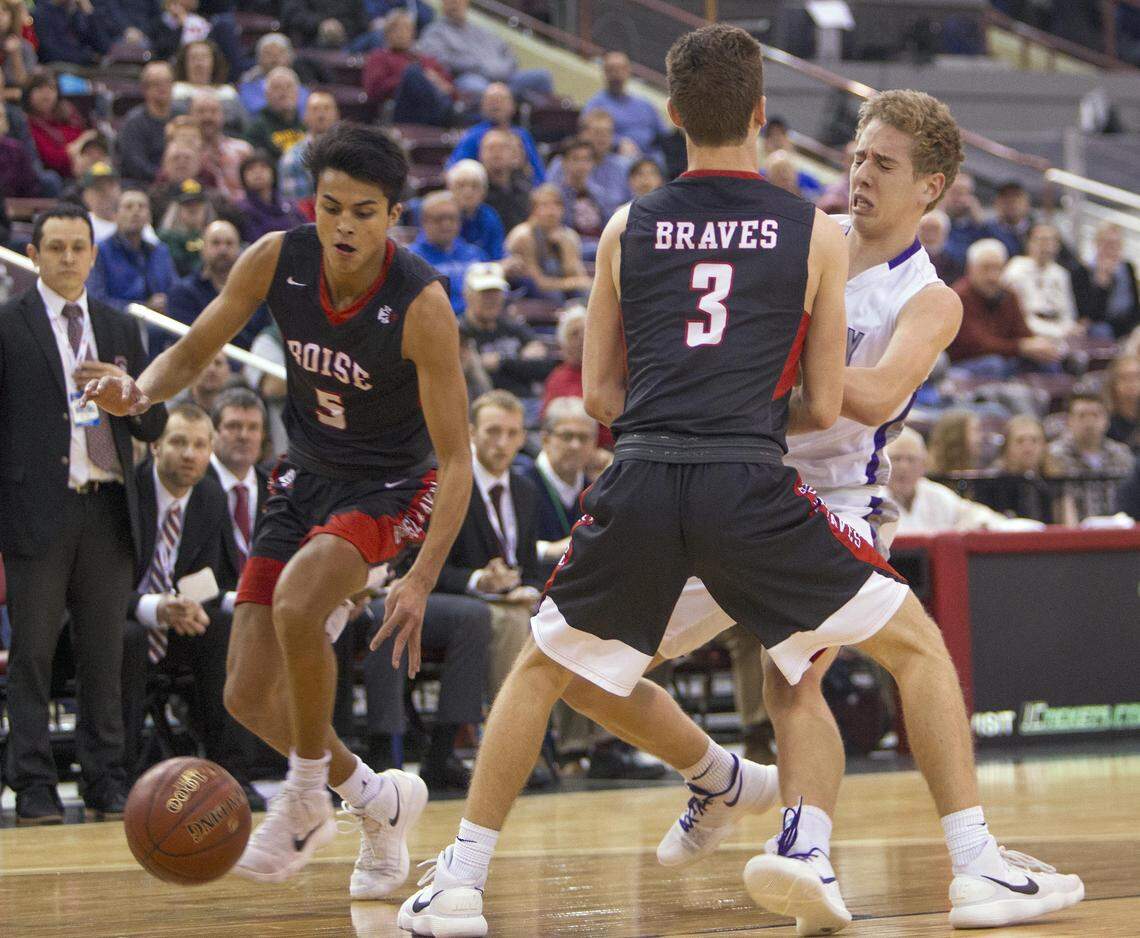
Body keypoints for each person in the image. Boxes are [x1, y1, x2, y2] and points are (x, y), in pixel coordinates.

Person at [401, 45, 1084, 932]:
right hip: (739, 476)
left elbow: (862, 400)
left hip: (825, 495)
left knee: (792, 677)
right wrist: (732, 391)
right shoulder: (802, 231)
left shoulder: (931, 297)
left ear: (934, 187)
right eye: (856, 157)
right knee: (581, 678)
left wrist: (725, 387)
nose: (861, 175)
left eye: (884, 164)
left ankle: (813, 850)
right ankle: (718, 779)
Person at [84, 123, 473, 895]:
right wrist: (142, 391)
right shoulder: (278, 258)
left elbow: (457, 460)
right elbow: (194, 352)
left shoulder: (422, 304)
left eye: (364, 211)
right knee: (245, 695)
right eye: (331, 207)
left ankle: (301, 797)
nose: (343, 226)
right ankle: (374, 799)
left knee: (299, 606)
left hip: (394, 486)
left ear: (392, 215)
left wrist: (422, 576)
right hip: (306, 474)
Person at [0, 205, 168, 824]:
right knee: (34, 658)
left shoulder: (121, 327)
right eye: (57, 248)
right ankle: (35, 786)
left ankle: (106, 780)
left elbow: (155, 420)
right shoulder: (9, 324)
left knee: (106, 656)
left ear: (94, 255)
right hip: (36, 514)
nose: (69, 258)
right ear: (35, 255)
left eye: (79, 247)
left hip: (108, 512)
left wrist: (132, 402)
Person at [119, 403, 265, 808]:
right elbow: (97, 588)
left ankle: (232, 774)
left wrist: (191, 606)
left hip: (175, 624)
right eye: (179, 443)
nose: (190, 454)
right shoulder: (127, 493)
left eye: (200, 445)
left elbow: (209, 577)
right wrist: (154, 607)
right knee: (128, 637)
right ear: (155, 448)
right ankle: (120, 776)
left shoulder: (209, 496)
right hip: (119, 617)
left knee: (222, 626)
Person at [434, 390, 543, 700]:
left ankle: (574, 743)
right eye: (493, 431)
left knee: (570, 621)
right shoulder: (449, 487)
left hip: (516, 600)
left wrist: (529, 591)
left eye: (511, 433)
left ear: (523, 437)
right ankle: (510, 734)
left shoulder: (526, 491)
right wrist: (479, 580)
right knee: (512, 622)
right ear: (471, 433)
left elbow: (532, 570)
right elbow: (424, 570)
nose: (502, 442)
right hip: (466, 601)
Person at [948, 238, 1062, 377]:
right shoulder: (958, 297)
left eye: (997, 268)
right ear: (970, 269)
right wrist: (1021, 347)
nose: (992, 276)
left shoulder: (1009, 295)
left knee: (1048, 358)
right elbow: (977, 345)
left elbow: (1023, 332)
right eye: (986, 268)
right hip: (967, 363)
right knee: (993, 364)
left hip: (1007, 357)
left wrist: (1038, 346)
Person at [887, 427, 1022, 534]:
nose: (903, 467)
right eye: (896, 459)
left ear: (923, 465)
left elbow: (977, 515)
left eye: (911, 459)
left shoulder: (937, 495)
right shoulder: (870, 499)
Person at [415, 0, 552, 102]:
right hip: (470, 77)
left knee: (542, 77)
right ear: (443, 4)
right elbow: (438, 60)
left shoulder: (481, 30)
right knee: (480, 89)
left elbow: (509, 54)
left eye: (458, 0)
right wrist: (480, 67)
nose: (455, 4)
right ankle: (508, 103)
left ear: (466, 3)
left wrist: (502, 69)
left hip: (505, 77)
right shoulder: (434, 32)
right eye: (450, 1)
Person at [458, 262, 553, 398]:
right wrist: (520, 360)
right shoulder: (460, 331)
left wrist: (501, 362)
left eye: (496, 292)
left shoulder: (513, 326)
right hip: (482, 403)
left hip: (525, 401)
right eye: (484, 293)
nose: (491, 299)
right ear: (467, 295)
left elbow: (543, 366)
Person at [88, 189, 178, 322]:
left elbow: (176, 291)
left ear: (149, 216)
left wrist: (167, 301)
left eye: (142, 206)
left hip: (163, 326)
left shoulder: (161, 251)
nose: (136, 211)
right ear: (115, 215)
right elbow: (96, 301)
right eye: (128, 206)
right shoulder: (100, 251)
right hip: (117, 326)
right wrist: (145, 308)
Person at [1047, 390, 1135, 521]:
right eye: (1082, 416)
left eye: (1095, 415)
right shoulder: (1054, 456)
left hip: (1118, 529)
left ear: (1107, 420)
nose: (1089, 422)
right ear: (1069, 421)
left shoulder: (1122, 455)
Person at [164, 219, 248, 352]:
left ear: (239, 249)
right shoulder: (182, 293)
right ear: (203, 249)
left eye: (229, 243)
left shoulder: (253, 293)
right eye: (215, 243)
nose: (223, 249)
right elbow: (185, 344)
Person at [362, 9, 455, 127]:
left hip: (431, 106)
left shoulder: (425, 59)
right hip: (402, 109)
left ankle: (445, 112)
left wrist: (439, 82)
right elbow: (373, 90)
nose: (402, 33)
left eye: (406, 29)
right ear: (387, 33)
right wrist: (410, 79)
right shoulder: (379, 57)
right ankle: (444, 112)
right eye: (396, 29)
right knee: (412, 73)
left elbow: (451, 89)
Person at [504, 184, 592, 302]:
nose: (551, 212)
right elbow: (538, 283)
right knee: (554, 296)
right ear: (533, 210)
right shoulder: (524, 236)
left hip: (557, 284)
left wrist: (564, 248)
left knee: (585, 293)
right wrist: (571, 283)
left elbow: (578, 275)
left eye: (556, 205)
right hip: (526, 289)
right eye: (545, 205)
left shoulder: (569, 236)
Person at [408, 190, 487, 316]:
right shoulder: (411, 258)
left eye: (452, 218)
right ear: (424, 222)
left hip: (474, 325)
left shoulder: (474, 254)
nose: (446, 224)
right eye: (439, 219)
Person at [447, 82, 545, 183]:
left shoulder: (522, 135)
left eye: (501, 100)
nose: (495, 105)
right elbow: (454, 169)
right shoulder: (473, 136)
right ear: (482, 106)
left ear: (513, 105)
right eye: (491, 100)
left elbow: (538, 172)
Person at [547, 109, 633, 219]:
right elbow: (550, 199)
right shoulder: (562, 162)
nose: (603, 138)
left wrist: (589, 188)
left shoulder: (624, 166)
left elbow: (630, 206)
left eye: (607, 132)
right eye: (597, 132)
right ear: (583, 134)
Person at [1001, 223, 1078, 339]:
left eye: (1051, 241)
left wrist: (1069, 328)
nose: (1046, 246)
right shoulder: (1016, 268)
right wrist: (1057, 332)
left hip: (1060, 329)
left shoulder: (1061, 274)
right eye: (1041, 240)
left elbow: (1068, 312)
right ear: (1030, 243)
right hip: (1029, 331)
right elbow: (1019, 316)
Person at [584, 51, 667, 159]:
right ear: (604, 72)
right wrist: (617, 144)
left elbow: (665, 134)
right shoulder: (595, 105)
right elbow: (587, 135)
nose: (616, 74)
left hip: (652, 158)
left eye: (620, 69)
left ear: (628, 71)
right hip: (617, 157)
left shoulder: (645, 104)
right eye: (611, 70)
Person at [1073, 222, 1140, 339]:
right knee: (1102, 331)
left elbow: (1134, 307)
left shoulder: (1127, 267)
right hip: (1100, 325)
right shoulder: (1083, 270)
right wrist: (1103, 284)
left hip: (1126, 324)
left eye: (1117, 244)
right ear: (1097, 244)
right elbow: (1088, 316)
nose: (1112, 249)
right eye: (1107, 244)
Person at [22, 68, 88, 179]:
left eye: (51, 89)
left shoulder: (69, 114)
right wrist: (81, 143)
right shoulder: (26, 124)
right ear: (28, 94)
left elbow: (90, 141)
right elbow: (54, 159)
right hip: (55, 176)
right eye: (40, 89)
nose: (46, 94)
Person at [191, 88, 254, 203]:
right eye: (201, 112)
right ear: (191, 115)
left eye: (213, 111)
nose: (207, 117)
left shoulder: (243, 150)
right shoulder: (186, 154)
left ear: (222, 115)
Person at [118, 62, 176, 185]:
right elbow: (135, 163)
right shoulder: (134, 123)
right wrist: (162, 176)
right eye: (156, 84)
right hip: (144, 184)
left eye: (167, 82)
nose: (163, 88)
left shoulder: (181, 117)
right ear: (145, 89)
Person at [277, 91, 339, 204]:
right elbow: (294, 206)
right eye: (315, 109)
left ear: (337, 114)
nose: (321, 115)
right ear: (305, 116)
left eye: (327, 108)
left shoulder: (351, 152)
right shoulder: (292, 157)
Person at [234, 151, 307, 243]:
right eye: (250, 169)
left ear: (273, 173)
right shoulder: (240, 211)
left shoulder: (290, 208)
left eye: (263, 167)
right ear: (243, 177)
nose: (258, 172)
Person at [172, 39, 244, 131]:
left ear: (214, 62)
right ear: (185, 63)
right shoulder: (175, 91)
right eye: (193, 58)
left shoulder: (227, 93)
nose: (199, 64)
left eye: (204, 57)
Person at [237, 33, 312, 117]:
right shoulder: (249, 82)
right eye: (268, 54)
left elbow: (305, 109)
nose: (274, 58)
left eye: (279, 53)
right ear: (259, 58)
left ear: (290, 57)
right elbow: (254, 109)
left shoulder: (301, 81)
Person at [446, 159, 505, 261]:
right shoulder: (442, 216)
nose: (468, 192)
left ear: (484, 191)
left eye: (475, 186)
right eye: (461, 185)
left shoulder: (490, 216)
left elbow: (497, 254)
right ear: (450, 189)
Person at [245, 67, 305, 162]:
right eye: (277, 88)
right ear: (266, 94)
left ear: (298, 93)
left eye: (289, 87)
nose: (284, 93)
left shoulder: (306, 125)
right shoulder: (256, 129)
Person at [479, 128, 532, 233]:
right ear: (480, 155)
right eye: (490, 148)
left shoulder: (524, 189)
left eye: (502, 148)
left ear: (513, 155)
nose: (496, 153)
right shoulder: (477, 191)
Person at [927, 409, 984, 475]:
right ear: (957, 435)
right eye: (975, 430)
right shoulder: (931, 473)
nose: (981, 437)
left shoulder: (976, 468)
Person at [1104, 353, 1140, 451]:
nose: (1132, 383)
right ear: (1113, 383)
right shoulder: (1105, 419)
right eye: (1125, 377)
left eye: (1137, 377)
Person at [917, 209, 963, 285]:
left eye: (934, 229)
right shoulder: (911, 257)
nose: (929, 234)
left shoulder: (954, 259)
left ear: (944, 232)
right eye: (925, 229)